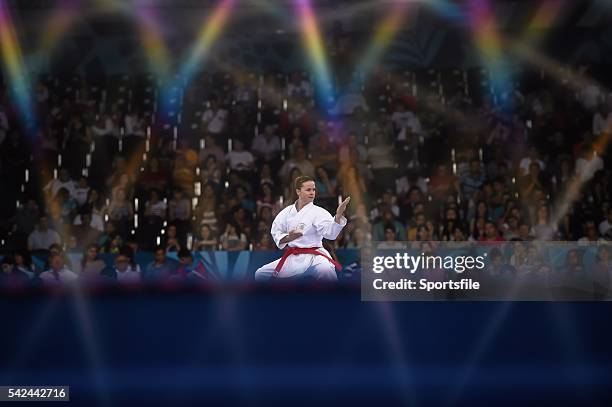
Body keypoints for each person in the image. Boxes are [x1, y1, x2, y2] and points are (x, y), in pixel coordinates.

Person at [254, 175, 350, 281]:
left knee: (326, 270)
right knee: (261, 274)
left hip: (315, 256)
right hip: (294, 256)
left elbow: (331, 234)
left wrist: (337, 216)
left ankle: (332, 297)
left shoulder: (318, 212)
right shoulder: (286, 212)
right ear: (298, 191)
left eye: (313, 189)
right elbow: (276, 232)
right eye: (308, 190)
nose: (312, 192)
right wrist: (289, 237)